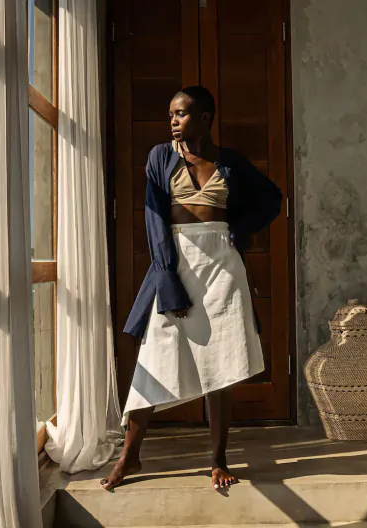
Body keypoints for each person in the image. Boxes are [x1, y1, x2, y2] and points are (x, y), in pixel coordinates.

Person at [101, 86, 282, 491]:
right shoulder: (160, 157)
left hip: (223, 269)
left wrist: (237, 229)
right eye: (170, 114)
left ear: (206, 117)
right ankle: (130, 457)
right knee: (156, 358)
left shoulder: (230, 162)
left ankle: (217, 460)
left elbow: (272, 199)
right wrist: (167, 277)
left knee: (222, 367)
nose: (173, 120)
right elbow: (154, 223)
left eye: (181, 113)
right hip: (177, 263)